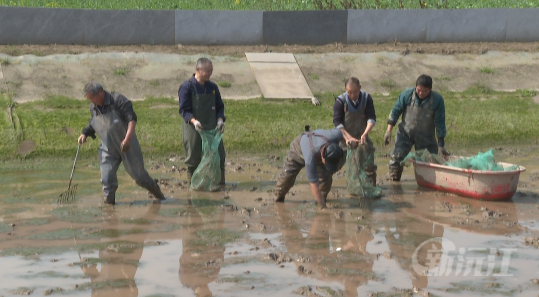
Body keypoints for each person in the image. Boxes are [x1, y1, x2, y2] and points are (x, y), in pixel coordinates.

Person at [78, 82, 165, 204]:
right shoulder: (93, 108)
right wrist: (85, 133)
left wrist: (128, 139)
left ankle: (159, 196)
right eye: (89, 99)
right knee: (107, 179)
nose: (91, 101)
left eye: (92, 98)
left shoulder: (118, 100)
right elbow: (94, 122)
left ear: (101, 92)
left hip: (127, 145)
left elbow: (132, 118)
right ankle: (109, 209)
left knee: (140, 177)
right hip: (108, 148)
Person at [274, 126, 359, 209]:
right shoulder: (310, 158)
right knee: (287, 177)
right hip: (298, 150)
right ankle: (278, 199)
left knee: (326, 177)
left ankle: (321, 199)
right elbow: (314, 185)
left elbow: (341, 130)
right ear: (322, 156)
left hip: (318, 148)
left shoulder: (334, 135)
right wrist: (322, 208)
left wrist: (348, 139)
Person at [384, 74, 448, 181]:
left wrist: (441, 144)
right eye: (419, 90)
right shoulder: (407, 95)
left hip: (426, 136)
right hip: (405, 133)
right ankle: (394, 181)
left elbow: (440, 122)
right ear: (415, 87)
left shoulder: (437, 100)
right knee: (396, 157)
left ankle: (425, 184)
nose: (421, 93)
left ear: (430, 90)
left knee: (429, 163)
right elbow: (395, 111)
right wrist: (388, 131)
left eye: (425, 91)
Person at [178, 57, 226, 186]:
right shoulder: (187, 87)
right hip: (193, 128)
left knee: (219, 155)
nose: (210, 74)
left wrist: (220, 119)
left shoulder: (213, 87)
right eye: (208, 71)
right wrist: (194, 121)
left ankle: (219, 183)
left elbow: (220, 106)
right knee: (193, 157)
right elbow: (183, 110)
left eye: (211, 71)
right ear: (198, 70)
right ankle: (194, 184)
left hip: (211, 128)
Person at [333, 77, 378, 186]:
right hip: (344, 137)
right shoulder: (340, 101)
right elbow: (337, 123)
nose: (353, 95)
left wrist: (365, 133)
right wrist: (348, 138)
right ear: (345, 89)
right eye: (350, 92)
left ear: (360, 88)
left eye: (355, 92)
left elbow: (371, 118)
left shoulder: (366, 98)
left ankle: (370, 186)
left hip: (362, 136)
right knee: (334, 162)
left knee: (369, 164)